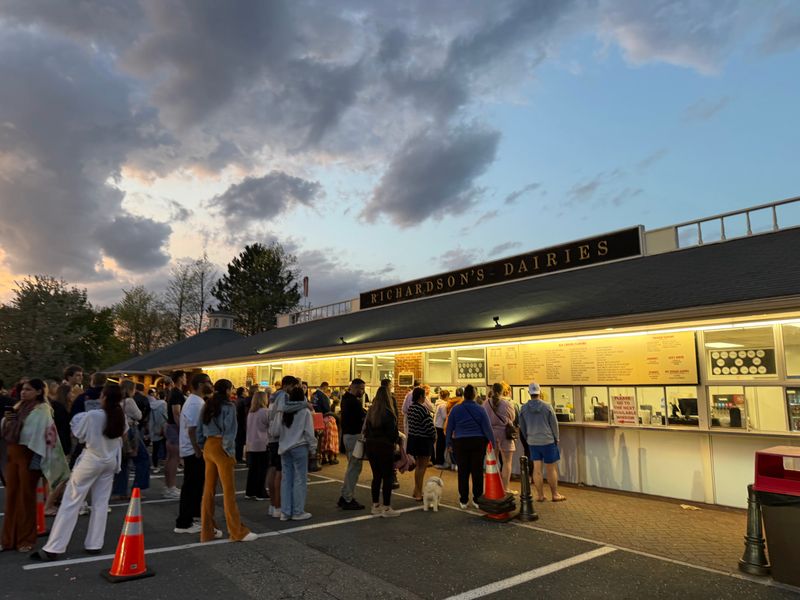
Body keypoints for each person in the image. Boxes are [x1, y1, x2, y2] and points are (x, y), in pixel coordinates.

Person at [31, 383, 126, 560]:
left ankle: (54, 547)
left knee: (71, 501)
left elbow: (78, 434)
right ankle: (94, 543)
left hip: (91, 460)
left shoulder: (93, 416)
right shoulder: (120, 415)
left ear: (104, 397)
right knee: (100, 503)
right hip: (110, 461)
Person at [1, 379, 69, 552]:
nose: (24, 392)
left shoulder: (43, 410)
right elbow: (7, 428)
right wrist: (8, 422)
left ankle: (25, 539)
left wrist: (16, 425)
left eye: (29, 389)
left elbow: (41, 435)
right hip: (13, 455)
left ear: (39, 392)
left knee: (26, 499)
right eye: (23, 389)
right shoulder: (18, 407)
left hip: (29, 457)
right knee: (11, 498)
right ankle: (8, 539)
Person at [197, 379, 257, 542]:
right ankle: (236, 531)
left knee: (208, 491)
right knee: (228, 492)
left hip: (209, 445)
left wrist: (203, 446)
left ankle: (207, 531)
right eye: (231, 388)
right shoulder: (229, 406)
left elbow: (199, 428)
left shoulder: (207, 404)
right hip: (222, 446)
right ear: (227, 390)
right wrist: (229, 452)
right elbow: (230, 432)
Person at [445, 384, 494, 509]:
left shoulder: (456, 409)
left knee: (463, 471)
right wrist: (492, 443)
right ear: (474, 395)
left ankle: (463, 499)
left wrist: (448, 443)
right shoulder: (480, 409)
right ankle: (477, 499)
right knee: (477, 471)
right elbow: (487, 428)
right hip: (478, 442)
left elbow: (449, 427)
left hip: (460, 442)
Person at [174, 372, 211, 534]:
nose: (211, 384)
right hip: (193, 451)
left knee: (195, 486)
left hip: (190, 450)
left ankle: (193, 517)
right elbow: (193, 430)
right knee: (192, 486)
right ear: (201, 384)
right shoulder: (196, 404)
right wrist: (198, 450)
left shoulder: (195, 401)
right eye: (209, 382)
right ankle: (184, 522)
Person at [519, 382, 565, 502]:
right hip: (548, 441)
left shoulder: (523, 408)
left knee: (537, 469)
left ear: (529, 393)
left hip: (533, 442)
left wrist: (528, 438)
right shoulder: (547, 407)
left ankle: (540, 495)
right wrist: (556, 438)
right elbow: (554, 425)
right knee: (551, 469)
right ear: (540, 392)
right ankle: (555, 494)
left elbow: (522, 427)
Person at [277, 386, 316, 521]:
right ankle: (298, 511)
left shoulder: (284, 411)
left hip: (284, 447)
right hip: (299, 447)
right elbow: (309, 432)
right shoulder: (305, 411)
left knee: (286, 480)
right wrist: (313, 448)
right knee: (300, 479)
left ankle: (285, 512)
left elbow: (277, 430)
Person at [363, 386, 400, 517]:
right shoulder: (388, 412)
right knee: (387, 477)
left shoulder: (371, 411)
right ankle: (386, 507)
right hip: (384, 447)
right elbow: (393, 433)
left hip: (371, 446)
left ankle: (375, 505)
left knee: (376, 476)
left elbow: (365, 430)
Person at [111, 380, 149, 500]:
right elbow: (139, 415)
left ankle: (119, 490)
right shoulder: (129, 401)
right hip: (131, 430)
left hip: (119, 431)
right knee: (143, 458)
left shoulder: (116, 401)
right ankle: (137, 488)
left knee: (123, 461)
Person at [44, 384, 74, 515]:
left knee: (51, 477)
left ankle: (50, 500)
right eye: (71, 392)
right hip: (59, 445)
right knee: (62, 476)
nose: (72, 395)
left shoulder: (54, 406)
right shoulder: (60, 408)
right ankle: (48, 505)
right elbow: (64, 429)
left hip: (51, 444)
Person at [338, 378, 366, 510]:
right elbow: (362, 416)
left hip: (347, 436)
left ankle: (345, 495)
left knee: (352, 467)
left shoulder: (345, 399)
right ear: (353, 388)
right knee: (354, 468)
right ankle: (347, 497)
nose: (363, 391)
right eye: (361, 388)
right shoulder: (353, 402)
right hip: (354, 437)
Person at [484, 382, 517, 490]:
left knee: (492, 462)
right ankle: (505, 488)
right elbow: (512, 418)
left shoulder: (486, 403)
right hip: (505, 434)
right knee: (507, 462)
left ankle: (493, 487)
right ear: (503, 391)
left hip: (491, 434)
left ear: (492, 391)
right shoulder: (507, 404)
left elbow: (483, 418)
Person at [406, 387, 436, 501]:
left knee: (419, 467)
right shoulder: (422, 409)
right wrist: (434, 436)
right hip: (423, 440)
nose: (425, 398)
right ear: (420, 397)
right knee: (421, 468)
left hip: (414, 439)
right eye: (424, 396)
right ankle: (418, 492)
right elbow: (429, 426)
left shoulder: (411, 408)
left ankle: (416, 490)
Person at [164, 371, 186, 499]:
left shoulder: (174, 392)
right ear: (179, 379)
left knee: (171, 457)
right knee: (174, 458)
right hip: (174, 428)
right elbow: (176, 413)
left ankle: (169, 487)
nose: (186, 379)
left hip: (171, 426)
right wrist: (182, 429)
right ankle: (170, 488)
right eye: (184, 377)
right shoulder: (176, 393)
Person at [245, 391, 270, 500]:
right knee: (262, 470)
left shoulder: (251, 412)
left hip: (251, 444)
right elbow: (270, 426)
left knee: (253, 470)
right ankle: (260, 492)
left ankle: (250, 492)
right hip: (262, 444)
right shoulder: (265, 412)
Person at [149, 387, 168, 474]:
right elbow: (166, 416)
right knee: (165, 447)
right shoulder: (164, 404)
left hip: (153, 427)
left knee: (155, 449)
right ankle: (164, 464)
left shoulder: (152, 404)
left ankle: (155, 465)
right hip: (162, 427)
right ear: (164, 397)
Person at [433, 389, 450, 468]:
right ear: (446, 396)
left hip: (437, 425)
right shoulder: (443, 405)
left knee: (440, 444)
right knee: (441, 445)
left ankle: (439, 461)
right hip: (440, 426)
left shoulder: (438, 403)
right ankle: (440, 462)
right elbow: (444, 416)